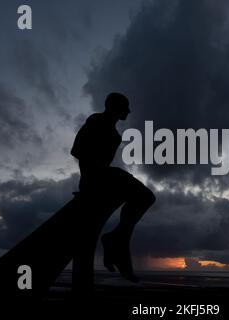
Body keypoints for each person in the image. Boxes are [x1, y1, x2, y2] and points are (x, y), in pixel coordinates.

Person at [71, 92, 155, 289]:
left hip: (103, 178)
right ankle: (117, 243)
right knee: (145, 196)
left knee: (144, 197)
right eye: (125, 107)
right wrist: (97, 167)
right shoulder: (96, 120)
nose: (129, 111)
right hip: (93, 180)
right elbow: (76, 150)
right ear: (114, 107)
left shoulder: (116, 136)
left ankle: (117, 240)